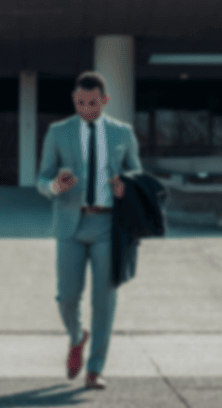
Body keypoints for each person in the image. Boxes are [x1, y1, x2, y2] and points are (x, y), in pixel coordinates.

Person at [36, 71, 143, 390]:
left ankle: (95, 368)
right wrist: (54, 185)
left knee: (104, 300)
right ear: (74, 100)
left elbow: (136, 171)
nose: (86, 109)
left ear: (105, 101)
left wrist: (127, 185)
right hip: (70, 223)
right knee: (67, 297)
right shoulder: (58, 132)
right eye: (80, 103)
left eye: (92, 103)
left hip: (108, 226)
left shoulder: (123, 133)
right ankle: (75, 336)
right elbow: (41, 179)